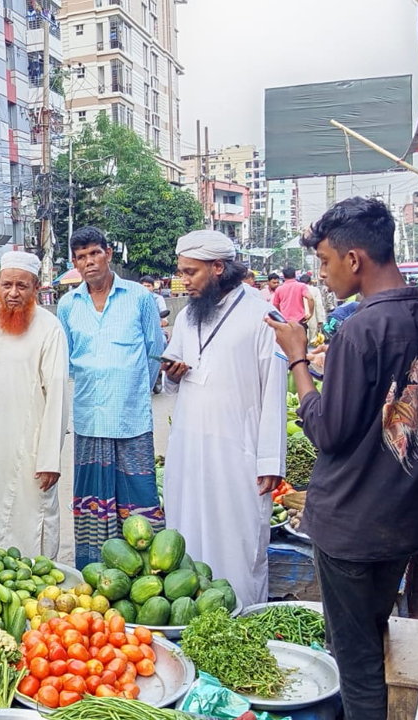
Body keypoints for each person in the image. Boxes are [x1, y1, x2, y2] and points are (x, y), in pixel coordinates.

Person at [266, 197, 418, 720]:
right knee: (372, 637)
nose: (324, 276)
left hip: (351, 526)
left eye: (327, 262)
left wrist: (297, 359)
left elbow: (327, 432)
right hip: (404, 522)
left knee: (354, 663)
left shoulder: (360, 329)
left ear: (354, 259)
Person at [162, 231, 288, 608]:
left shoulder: (262, 314)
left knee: (238, 543)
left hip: (239, 452)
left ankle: (242, 618)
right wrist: (172, 374)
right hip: (189, 448)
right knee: (185, 537)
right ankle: (191, 622)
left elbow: (275, 391)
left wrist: (270, 460)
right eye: (181, 272)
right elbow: (174, 373)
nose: (183, 281)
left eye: (191, 273)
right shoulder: (186, 316)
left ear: (218, 267)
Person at [57, 226, 165, 567]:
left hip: (131, 419)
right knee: (93, 504)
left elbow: (154, 353)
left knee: (140, 497)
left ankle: (148, 570)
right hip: (90, 418)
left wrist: (133, 392)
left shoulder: (139, 297)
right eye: (81, 257)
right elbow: (70, 361)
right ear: (75, 263)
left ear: (108, 254)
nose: (89, 262)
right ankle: (94, 570)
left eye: (94, 253)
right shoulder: (67, 305)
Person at [0, 251, 69, 558]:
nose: (13, 293)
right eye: (7, 285)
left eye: (22, 286)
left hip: (29, 449)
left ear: (36, 288)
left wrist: (50, 459)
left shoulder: (49, 328)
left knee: (30, 523)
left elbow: (58, 395)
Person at [301, 273, 327, 345]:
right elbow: (318, 305)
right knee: (313, 339)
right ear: (310, 282)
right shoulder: (315, 290)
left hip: (300, 316)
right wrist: (320, 320)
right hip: (312, 315)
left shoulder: (297, 289)